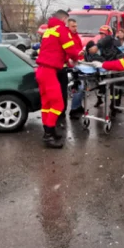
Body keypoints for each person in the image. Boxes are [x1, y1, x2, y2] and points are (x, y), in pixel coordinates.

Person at [35, 10, 83, 148]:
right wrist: (76, 58)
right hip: (50, 72)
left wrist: (67, 59)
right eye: (67, 21)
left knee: (47, 104)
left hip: (41, 71)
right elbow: (70, 49)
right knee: (58, 104)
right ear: (64, 19)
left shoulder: (48, 31)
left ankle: (49, 131)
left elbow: (55, 50)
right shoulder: (62, 30)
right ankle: (49, 135)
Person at [56, 18, 82, 128]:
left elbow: (77, 49)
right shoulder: (66, 36)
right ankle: (71, 110)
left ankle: (76, 107)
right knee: (76, 88)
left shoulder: (76, 36)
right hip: (68, 66)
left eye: (76, 26)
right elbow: (69, 52)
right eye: (73, 26)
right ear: (68, 26)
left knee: (79, 87)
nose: (75, 28)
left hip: (77, 64)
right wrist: (74, 59)